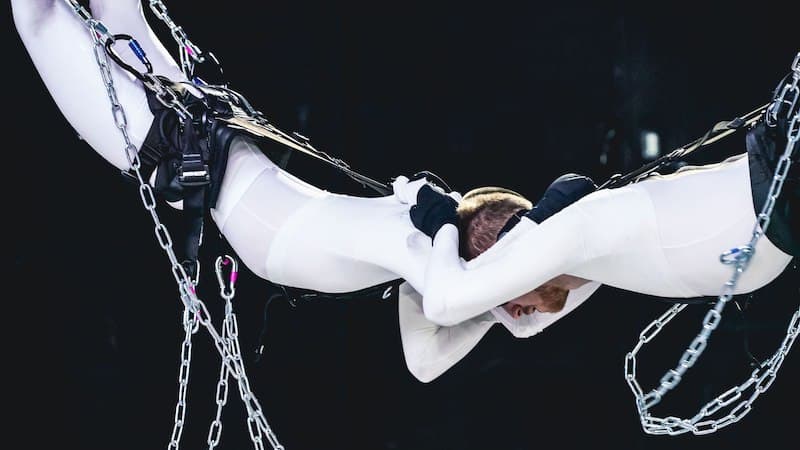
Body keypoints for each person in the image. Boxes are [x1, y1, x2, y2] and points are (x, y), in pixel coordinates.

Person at [13, 0, 599, 384]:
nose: (522, 311)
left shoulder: (432, 258)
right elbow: (480, 294)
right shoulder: (426, 249)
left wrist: (503, 295)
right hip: (192, 153)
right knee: (40, 18)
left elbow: (432, 359)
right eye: (526, 294)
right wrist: (526, 242)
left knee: (89, 15)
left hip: (207, 155)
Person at [400, 126, 797, 329]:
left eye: (491, 290)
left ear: (501, 250)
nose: (509, 313)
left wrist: (440, 222)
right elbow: (427, 363)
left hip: (769, 196)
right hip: (774, 221)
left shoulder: (566, 233)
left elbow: (443, 303)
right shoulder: (581, 270)